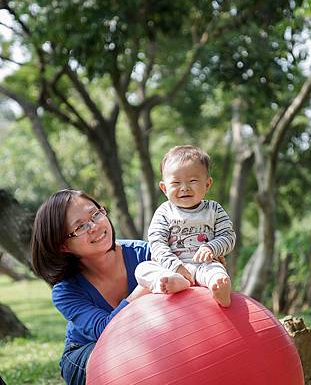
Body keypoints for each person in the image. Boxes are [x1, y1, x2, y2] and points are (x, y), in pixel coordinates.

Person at [31, 189, 151, 385]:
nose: (94, 226)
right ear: (63, 246)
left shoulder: (145, 253)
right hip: (88, 351)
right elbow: (105, 331)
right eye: (80, 227)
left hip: (146, 337)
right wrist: (144, 288)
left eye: (95, 214)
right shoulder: (65, 292)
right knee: (123, 355)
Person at [135, 145, 236, 307]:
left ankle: (219, 288)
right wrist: (176, 266)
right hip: (172, 268)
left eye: (193, 181)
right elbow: (157, 243)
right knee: (142, 269)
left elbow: (228, 236)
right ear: (164, 188)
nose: (184, 188)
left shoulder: (214, 209)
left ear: (207, 184)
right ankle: (174, 283)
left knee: (216, 272)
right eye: (176, 182)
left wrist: (211, 248)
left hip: (205, 264)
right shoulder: (164, 212)